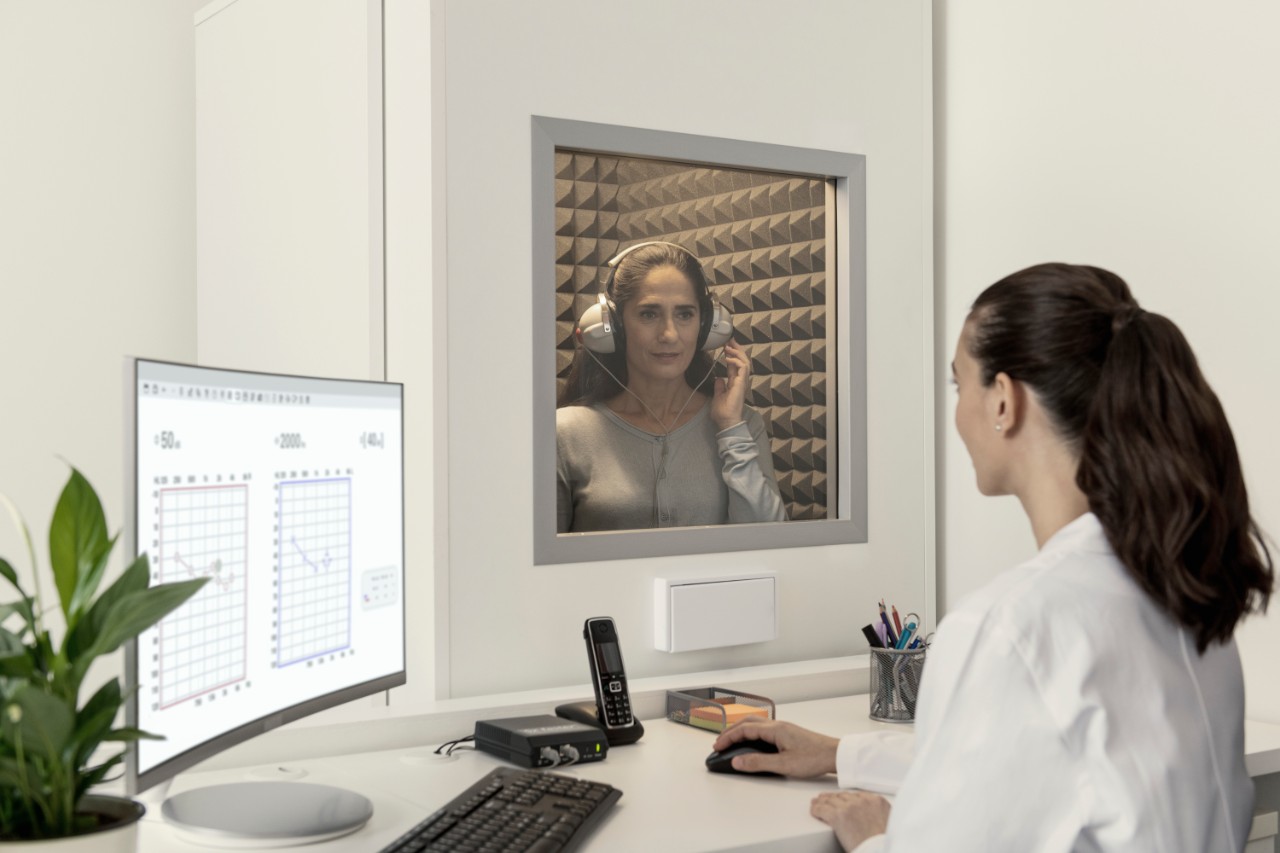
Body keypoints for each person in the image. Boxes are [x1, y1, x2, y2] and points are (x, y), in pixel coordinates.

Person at [712, 263, 1274, 851]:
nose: (958, 412)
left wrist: (874, 838)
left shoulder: (1010, 628)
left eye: (959, 385)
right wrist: (841, 753)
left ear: (1004, 400)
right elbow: (1055, 763)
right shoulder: (1184, 594)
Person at [556, 241, 786, 532]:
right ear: (613, 325)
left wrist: (731, 429)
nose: (669, 334)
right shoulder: (565, 432)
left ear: (707, 326)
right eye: (649, 314)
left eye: (685, 314)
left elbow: (772, 542)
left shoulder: (742, 424)